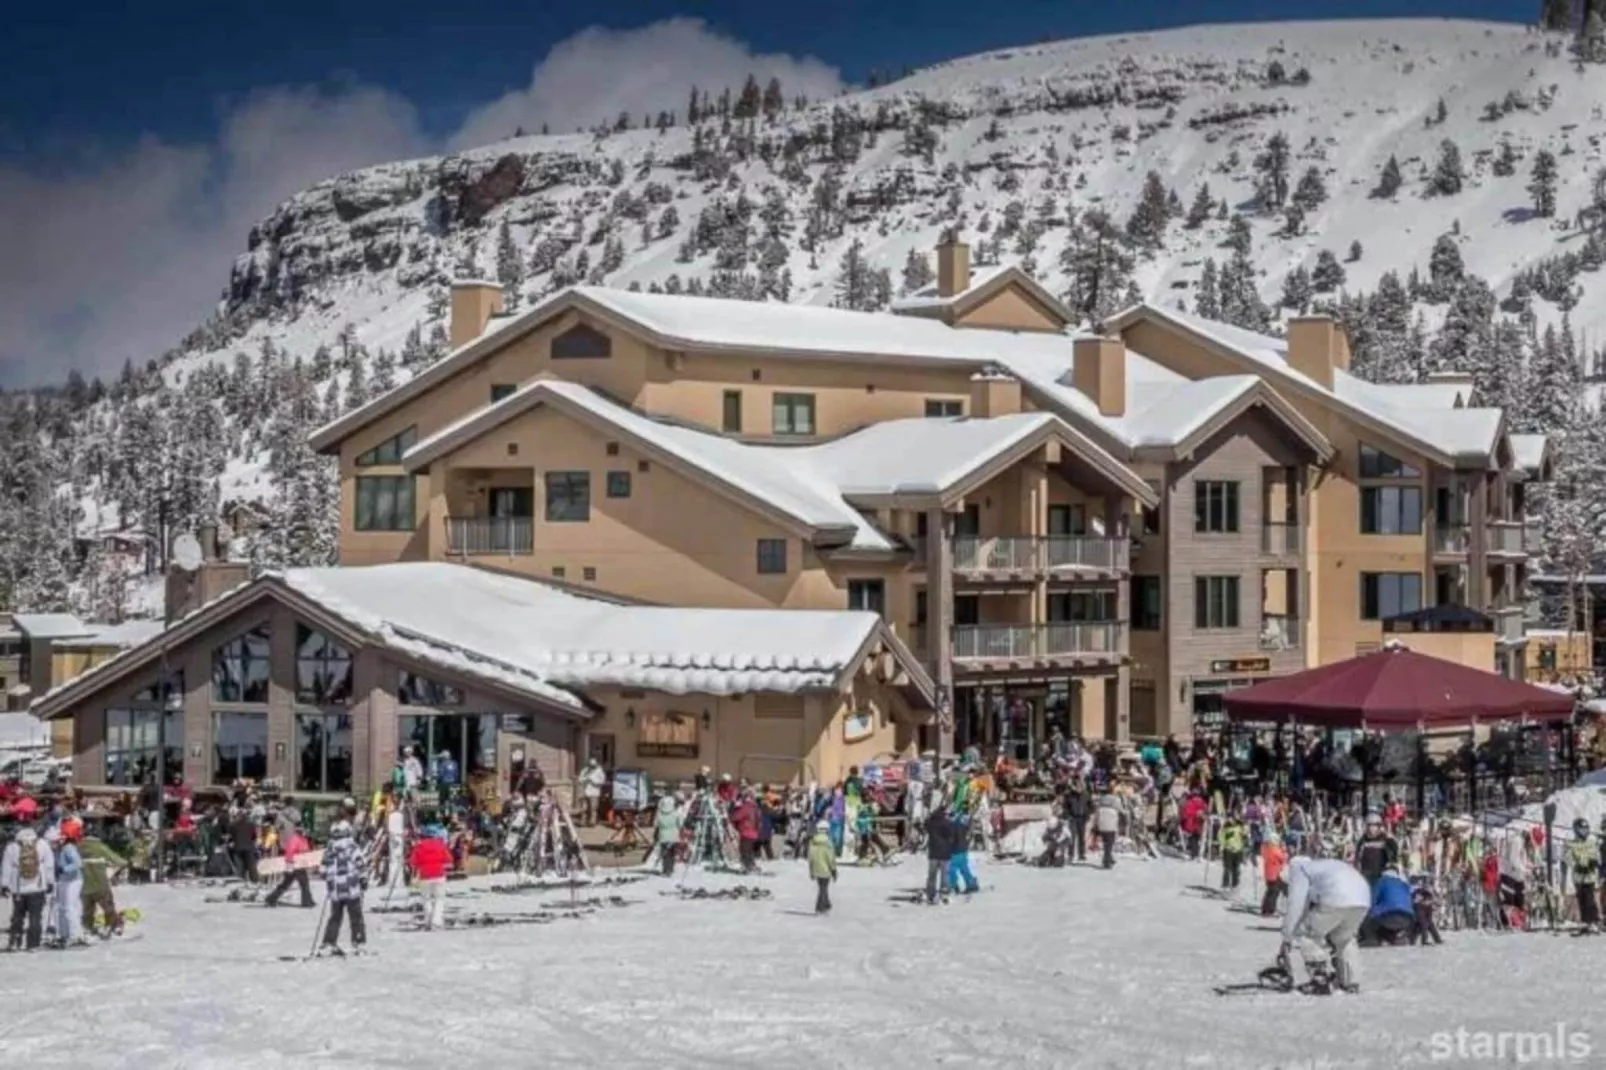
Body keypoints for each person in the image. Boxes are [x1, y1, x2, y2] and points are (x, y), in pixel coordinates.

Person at [1280, 856, 1372, 994]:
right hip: (1362, 898)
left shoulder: (1300, 871)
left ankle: (1319, 977)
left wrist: (1287, 936)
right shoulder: (1322, 866)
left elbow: (1296, 905)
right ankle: (1350, 981)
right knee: (1345, 939)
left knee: (1308, 935)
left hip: (1336, 896)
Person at [3, 822, 55, 952]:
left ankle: (15, 941)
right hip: (38, 887)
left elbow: (6, 867)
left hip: (18, 887)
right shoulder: (42, 844)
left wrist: (4, 885)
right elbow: (49, 865)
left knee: (17, 916)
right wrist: (50, 881)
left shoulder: (12, 846)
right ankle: (33, 944)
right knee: (35, 917)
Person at [320, 821, 367, 955]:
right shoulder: (352, 847)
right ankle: (358, 941)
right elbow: (360, 863)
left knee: (335, 917)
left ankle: (329, 942)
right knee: (356, 916)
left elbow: (322, 870)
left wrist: (328, 876)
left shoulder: (329, 850)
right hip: (351, 887)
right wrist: (363, 878)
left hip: (335, 889)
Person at [78, 828, 126, 936]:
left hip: (84, 885)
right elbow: (120, 861)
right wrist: (112, 871)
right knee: (108, 907)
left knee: (87, 910)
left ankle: (87, 927)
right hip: (100, 884)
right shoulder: (100, 847)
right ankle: (112, 925)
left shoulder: (78, 847)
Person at [1359, 865, 1417, 946]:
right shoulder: (1404, 884)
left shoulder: (1382, 881)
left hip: (1389, 915)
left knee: (1366, 914)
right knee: (1383, 923)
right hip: (1408, 918)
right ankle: (1395, 938)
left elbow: (1372, 899)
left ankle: (1371, 938)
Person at [408, 827, 453, 930]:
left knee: (426, 899)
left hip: (425, 876)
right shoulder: (440, 845)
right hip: (439, 875)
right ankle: (437, 921)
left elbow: (412, 862)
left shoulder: (419, 846)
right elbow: (449, 859)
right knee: (439, 899)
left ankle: (428, 921)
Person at [264, 819, 316, 908]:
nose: (304, 830)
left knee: (286, 884)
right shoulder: (295, 839)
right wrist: (289, 864)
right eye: (302, 828)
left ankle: (271, 899)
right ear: (298, 829)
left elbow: (306, 851)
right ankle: (307, 902)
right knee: (304, 883)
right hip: (294, 864)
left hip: (300, 864)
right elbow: (289, 852)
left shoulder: (302, 839)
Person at [50, 825, 86, 948]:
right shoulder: (62, 849)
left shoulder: (68, 848)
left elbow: (78, 864)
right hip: (65, 880)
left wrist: (64, 869)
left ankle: (74, 934)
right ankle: (64, 933)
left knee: (70, 907)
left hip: (73, 881)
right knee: (63, 908)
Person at [1566, 818, 1600, 933]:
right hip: (1579, 876)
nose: (1584, 832)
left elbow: (1595, 854)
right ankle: (1586, 921)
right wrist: (1576, 864)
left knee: (1590, 898)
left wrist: (1593, 862)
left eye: (1586, 829)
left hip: (1589, 876)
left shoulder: (1591, 843)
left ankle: (1593, 921)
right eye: (1581, 829)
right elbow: (1567, 856)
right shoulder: (1572, 844)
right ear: (1576, 830)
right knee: (1582, 899)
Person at [1354, 815, 1398, 888]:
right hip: (1366, 876)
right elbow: (1357, 857)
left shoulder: (1385, 840)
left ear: (1379, 827)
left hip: (1381, 876)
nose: (1371, 829)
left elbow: (1394, 855)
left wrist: (1390, 839)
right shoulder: (1362, 841)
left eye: (1374, 826)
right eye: (1369, 826)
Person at [924, 810, 954, 903]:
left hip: (933, 852)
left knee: (932, 875)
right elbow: (950, 835)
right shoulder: (947, 823)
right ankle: (944, 893)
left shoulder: (930, 823)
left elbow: (925, 826)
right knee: (945, 875)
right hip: (945, 853)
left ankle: (931, 893)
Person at [808, 820, 837, 914]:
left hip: (816, 868)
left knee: (822, 887)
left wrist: (811, 871)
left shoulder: (813, 841)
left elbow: (810, 857)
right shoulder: (828, 842)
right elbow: (830, 858)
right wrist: (833, 870)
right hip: (826, 869)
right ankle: (820, 907)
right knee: (823, 888)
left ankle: (827, 904)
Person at [946, 815, 980, 894]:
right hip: (963, 850)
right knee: (964, 869)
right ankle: (971, 884)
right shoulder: (961, 824)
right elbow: (967, 833)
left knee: (951, 869)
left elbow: (952, 839)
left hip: (954, 851)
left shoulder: (951, 826)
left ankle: (953, 886)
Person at [1061, 772, 1090, 863]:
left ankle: (1081, 854)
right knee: (1072, 837)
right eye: (1077, 786)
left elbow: (1090, 805)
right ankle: (1071, 854)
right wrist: (1067, 815)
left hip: (1082, 817)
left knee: (1082, 837)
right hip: (1072, 818)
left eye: (1080, 786)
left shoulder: (1086, 795)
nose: (1079, 788)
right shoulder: (1070, 795)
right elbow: (1065, 806)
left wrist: (1088, 814)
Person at [731, 790, 760, 873]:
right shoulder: (755, 807)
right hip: (753, 833)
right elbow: (759, 820)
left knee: (744, 850)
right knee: (750, 851)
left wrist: (734, 809)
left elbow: (735, 817)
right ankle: (751, 865)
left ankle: (747, 866)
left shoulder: (745, 807)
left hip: (746, 832)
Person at [653, 794, 682, 877]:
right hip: (674, 836)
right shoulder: (675, 813)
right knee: (672, 853)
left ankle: (666, 869)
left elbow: (655, 824)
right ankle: (671, 868)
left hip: (663, 836)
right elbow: (680, 824)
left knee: (665, 855)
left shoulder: (659, 814)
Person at [228, 805, 259, 883]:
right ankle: (254, 881)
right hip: (249, 847)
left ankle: (240, 882)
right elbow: (254, 836)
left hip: (238, 847)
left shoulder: (233, 825)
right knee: (252, 867)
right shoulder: (251, 824)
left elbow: (232, 836)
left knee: (240, 867)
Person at [1260, 831, 1288, 917]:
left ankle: (1266, 909)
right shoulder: (1274, 849)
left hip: (1270, 873)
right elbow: (1283, 858)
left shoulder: (1267, 848)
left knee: (1271, 891)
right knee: (1274, 892)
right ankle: (1270, 910)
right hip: (1274, 874)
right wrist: (1284, 851)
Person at [1093, 786, 1121, 869]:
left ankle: (1109, 858)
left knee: (1106, 843)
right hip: (1111, 824)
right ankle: (1107, 862)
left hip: (1102, 824)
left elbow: (1096, 814)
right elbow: (1119, 809)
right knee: (1109, 844)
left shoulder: (1100, 801)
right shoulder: (1116, 800)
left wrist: (1096, 825)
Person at [1219, 814, 1246, 891]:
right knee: (1227, 868)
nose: (1232, 821)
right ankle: (1225, 884)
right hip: (1228, 849)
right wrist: (1223, 846)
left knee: (1236, 868)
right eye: (1230, 819)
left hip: (1238, 849)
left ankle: (1235, 884)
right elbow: (1221, 837)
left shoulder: (1240, 827)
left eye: (1233, 819)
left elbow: (1245, 833)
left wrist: (1245, 835)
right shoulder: (1225, 827)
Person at [579, 758, 606, 827]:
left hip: (594, 792)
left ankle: (592, 822)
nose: (591, 766)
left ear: (596, 764)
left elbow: (602, 781)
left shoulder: (599, 771)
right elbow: (580, 779)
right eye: (590, 764)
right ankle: (583, 822)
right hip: (585, 792)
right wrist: (585, 779)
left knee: (593, 808)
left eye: (593, 765)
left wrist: (593, 781)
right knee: (583, 808)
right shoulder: (585, 770)